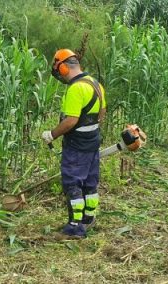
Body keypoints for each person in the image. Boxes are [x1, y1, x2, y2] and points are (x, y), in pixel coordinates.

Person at [41, 49, 107, 238]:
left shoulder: (76, 88)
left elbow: (71, 120)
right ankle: (88, 219)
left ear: (62, 68)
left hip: (77, 144)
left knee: (73, 183)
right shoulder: (95, 84)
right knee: (89, 183)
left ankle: (75, 228)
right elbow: (101, 113)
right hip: (92, 141)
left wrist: (52, 135)